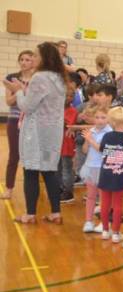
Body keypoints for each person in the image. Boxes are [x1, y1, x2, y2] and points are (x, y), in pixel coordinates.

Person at [3, 42, 68, 224]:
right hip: (53, 132)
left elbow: (26, 106)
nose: (33, 59)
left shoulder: (40, 77)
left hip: (36, 133)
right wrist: (24, 90)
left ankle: (30, 214)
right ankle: (56, 213)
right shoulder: (59, 77)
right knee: (49, 171)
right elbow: (43, 100)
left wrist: (18, 92)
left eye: (36, 55)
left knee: (31, 171)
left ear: (45, 58)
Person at [96, 107, 123, 242]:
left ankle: (105, 231)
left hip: (106, 173)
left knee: (105, 204)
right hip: (120, 175)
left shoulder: (107, 136)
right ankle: (116, 233)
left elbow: (103, 152)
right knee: (117, 205)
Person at [1, 50, 35, 200]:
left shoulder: (37, 79)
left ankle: (33, 189)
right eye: (21, 59)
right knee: (14, 155)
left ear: (33, 62)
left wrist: (23, 91)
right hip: (15, 120)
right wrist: (19, 91)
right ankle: (9, 188)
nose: (24, 62)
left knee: (31, 156)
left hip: (32, 121)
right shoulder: (12, 78)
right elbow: (9, 101)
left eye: (27, 59)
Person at [80, 106, 113, 232]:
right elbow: (84, 150)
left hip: (103, 168)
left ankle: (104, 223)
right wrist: (87, 141)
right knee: (91, 196)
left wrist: (90, 139)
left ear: (108, 118)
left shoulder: (110, 132)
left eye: (103, 117)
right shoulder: (91, 131)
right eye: (97, 117)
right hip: (90, 167)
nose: (100, 120)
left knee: (104, 197)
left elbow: (103, 150)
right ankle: (88, 221)